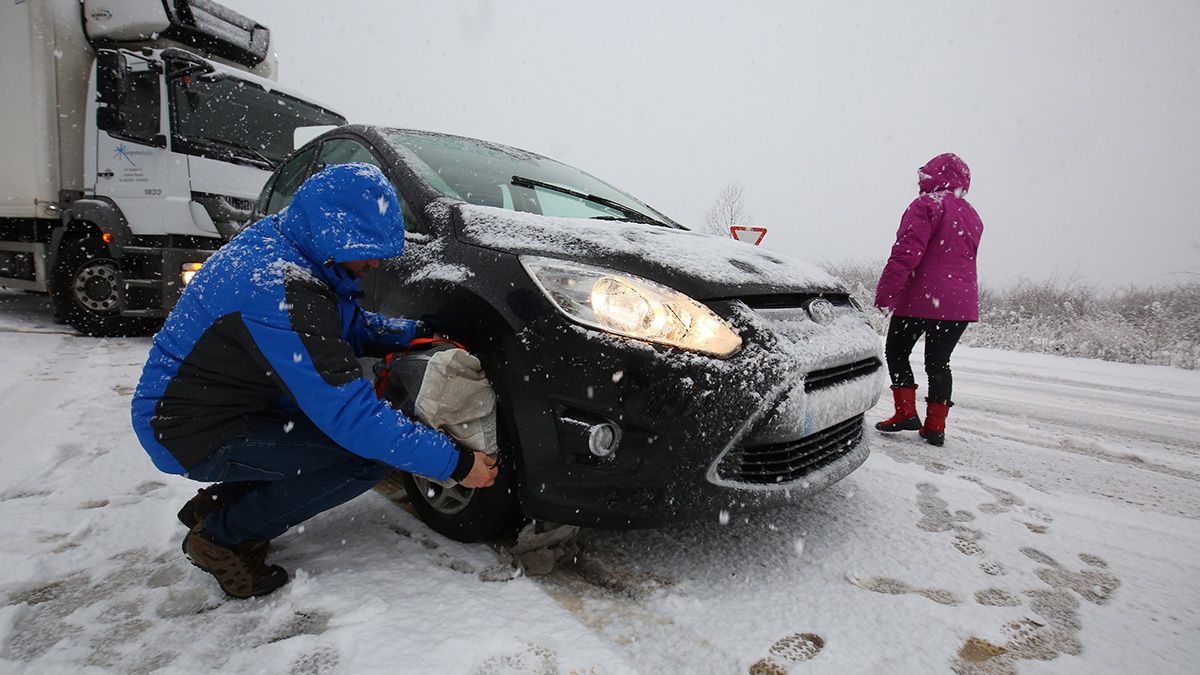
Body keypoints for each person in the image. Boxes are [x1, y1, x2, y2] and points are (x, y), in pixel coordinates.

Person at [131, 163, 497, 598]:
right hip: (190, 430)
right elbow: (350, 416)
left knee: (313, 441)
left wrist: (413, 335)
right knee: (361, 458)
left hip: (213, 410)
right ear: (336, 235)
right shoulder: (278, 287)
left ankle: (221, 504)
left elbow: (337, 326)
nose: (376, 262)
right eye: (368, 249)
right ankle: (224, 538)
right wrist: (454, 464)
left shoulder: (289, 250)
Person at [873, 153, 983, 446]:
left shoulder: (926, 205)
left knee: (896, 351)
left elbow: (906, 253)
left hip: (922, 298)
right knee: (939, 363)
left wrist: (886, 292)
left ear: (933, 177)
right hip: (960, 303)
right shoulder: (972, 215)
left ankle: (906, 413)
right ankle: (935, 427)